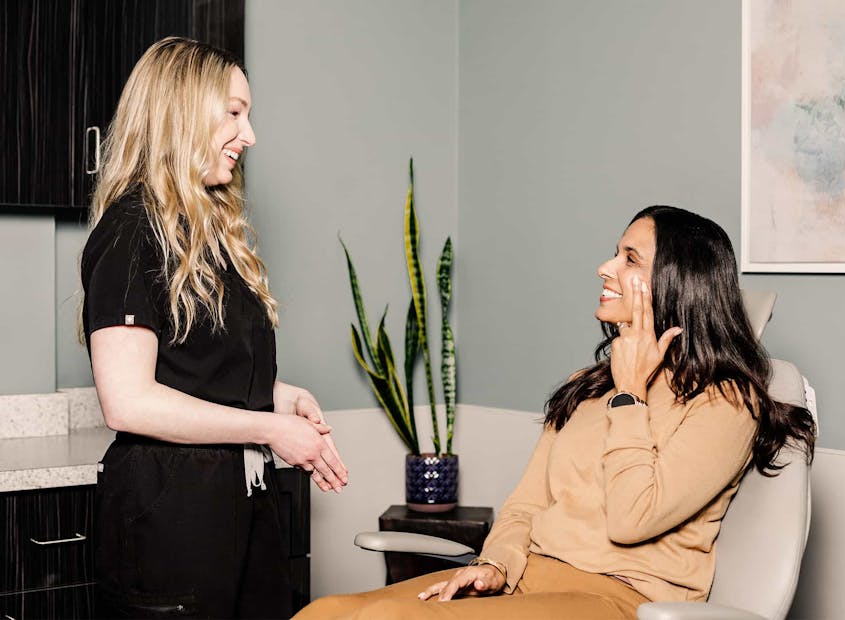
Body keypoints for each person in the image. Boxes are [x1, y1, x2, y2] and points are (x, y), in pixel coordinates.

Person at [293, 206, 816, 620]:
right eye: (615, 253)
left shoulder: (726, 403)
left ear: (676, 284)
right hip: (524, 582)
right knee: (327, 612)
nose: (605, 267)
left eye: (630, 258)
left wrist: (631, 395)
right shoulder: (583, 388)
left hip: (619, 600)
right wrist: (496, 564)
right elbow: (524, 506)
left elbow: (634, 519)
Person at [80, 37, 348, 618]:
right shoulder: (132, 232)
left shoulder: (203, 232)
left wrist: (277, 399)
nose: (249, 136)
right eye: (233, 112)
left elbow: (193, 370)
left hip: (242, 505)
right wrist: (270, 430)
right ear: (179, 111)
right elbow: (128, 402)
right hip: (170, 520)